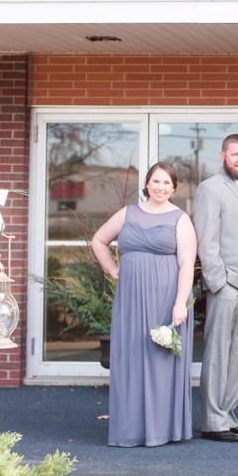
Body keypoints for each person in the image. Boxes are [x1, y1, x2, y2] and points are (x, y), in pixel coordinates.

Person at [92, 161, 196, 447]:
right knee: (130, 360)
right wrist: (113, 270)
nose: (161, 187)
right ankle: (131, 430)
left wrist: (179, 304)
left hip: (166, 300)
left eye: (167, 183)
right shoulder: (129, 212)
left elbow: (187, 264)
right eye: (156, 181)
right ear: (147, 184)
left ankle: (162, 429)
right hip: (131, 300)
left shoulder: (180, 218)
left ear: (174, 188)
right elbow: (99, 240)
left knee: (159, 362)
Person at [193, 134, 238, 442]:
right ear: (222, 155)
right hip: (227, 286)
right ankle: (212, 422)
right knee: (217, 354)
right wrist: (218, 283)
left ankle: (228, 414)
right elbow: (206, 240)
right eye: (234, 154)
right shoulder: (210, 189)